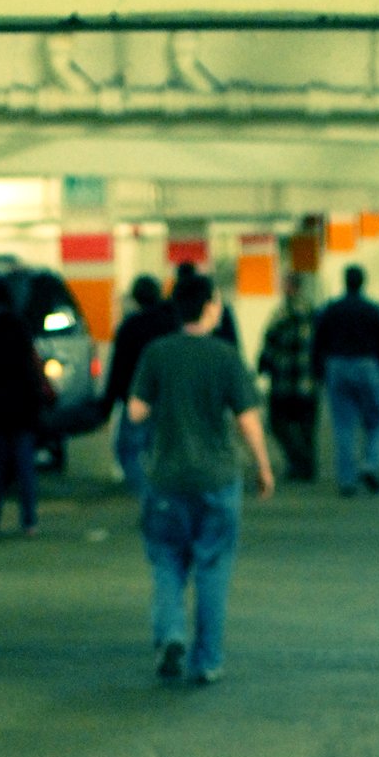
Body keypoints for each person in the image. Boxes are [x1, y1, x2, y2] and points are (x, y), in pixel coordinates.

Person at [128, 271, 275, 685]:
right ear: (210, 306)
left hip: (166, 479)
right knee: (212, 568)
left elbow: (136, 412)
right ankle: (206, 661)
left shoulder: (157, 353)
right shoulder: (226, 356)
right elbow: (248, 422)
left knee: (167, 564)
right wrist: (262, 466)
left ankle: (171, 636)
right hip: (217, 480)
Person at [311, 263, 379, 495]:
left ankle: (347, 481)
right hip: (368, 367)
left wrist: (317, 372)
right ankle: (370, 464)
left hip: (337, 367)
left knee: (343, 425)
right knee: (377, 421)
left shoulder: (330, 309)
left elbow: (316, 342)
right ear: (363, 282)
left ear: (345, 281)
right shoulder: (374, 310)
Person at [0, 276, 47, 535]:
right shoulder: (20, 325)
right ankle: (29, 521)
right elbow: (32, 359)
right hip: (24, 404)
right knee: (25, 465)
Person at [100, 274, 176, 496]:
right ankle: (163, 491)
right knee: (161, 449)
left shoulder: (130, 326)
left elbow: (118, 369)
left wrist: (107, 405)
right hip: (168, 399)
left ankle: (148, 494)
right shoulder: (171, 324)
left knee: (128, 450)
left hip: (136, 400)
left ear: (135, 298)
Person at [257, 271, 319, 483]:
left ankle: (297, 461)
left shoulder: (282, 313)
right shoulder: (313, 312)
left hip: (284, 381)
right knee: (306, 426)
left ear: (291, 287)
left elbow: (270, 342)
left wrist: (263, 365)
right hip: (307, 381)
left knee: (278, 423)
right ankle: (307, 465)